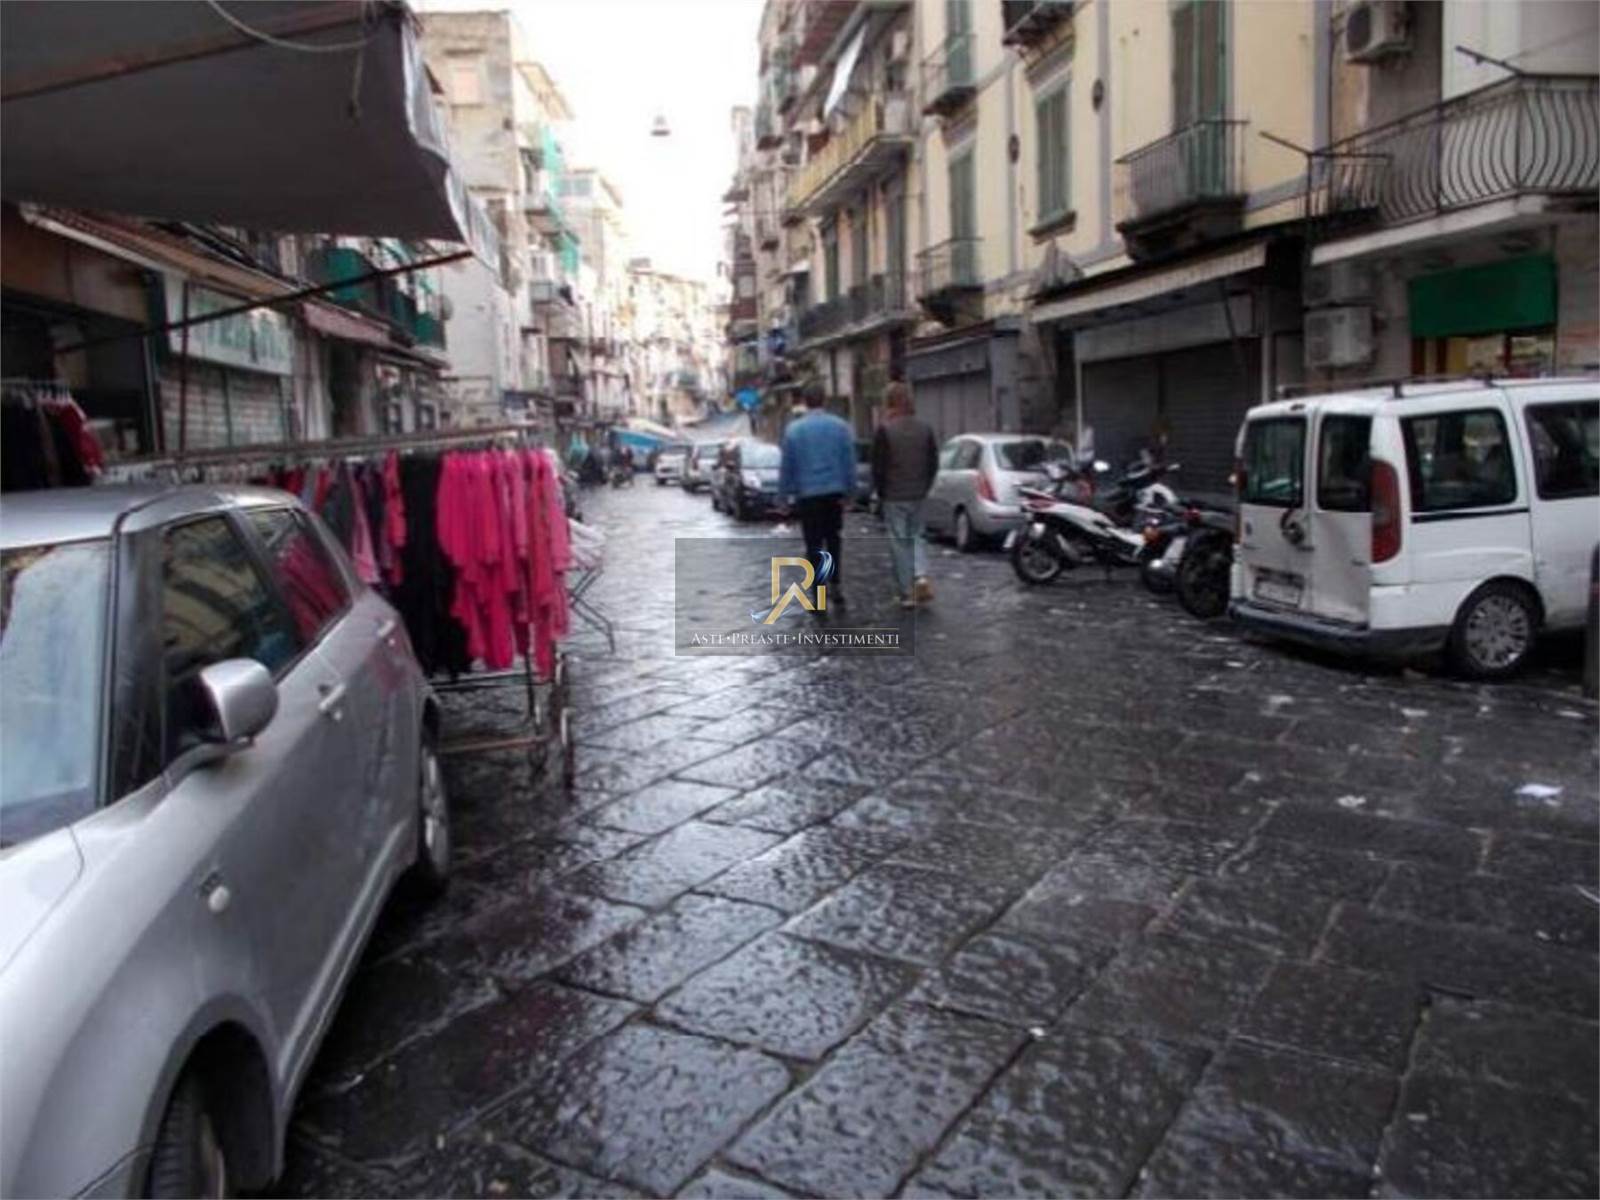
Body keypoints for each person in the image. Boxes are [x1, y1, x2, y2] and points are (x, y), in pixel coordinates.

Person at [778, 388, 856, 608]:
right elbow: (849, 462)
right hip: (833, 493)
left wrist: (783, 497)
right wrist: (850, 493)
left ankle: (819, 594)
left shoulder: (794, 430)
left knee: (813, 545)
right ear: (824, 400)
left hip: (807, 495)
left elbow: (787, 466)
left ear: (805, 402)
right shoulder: (841, 427)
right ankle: (836, 583)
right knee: (833, 540)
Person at [872, 382, 939, 608]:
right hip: (918, 492)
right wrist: (926, 485)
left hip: (894, 494)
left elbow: (879, 467)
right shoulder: (925, 429)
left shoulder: (885, 430)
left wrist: (881, 493)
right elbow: (933, 461)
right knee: (917, 535)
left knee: (899, 541)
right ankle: (920, 575)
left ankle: (906, 591)